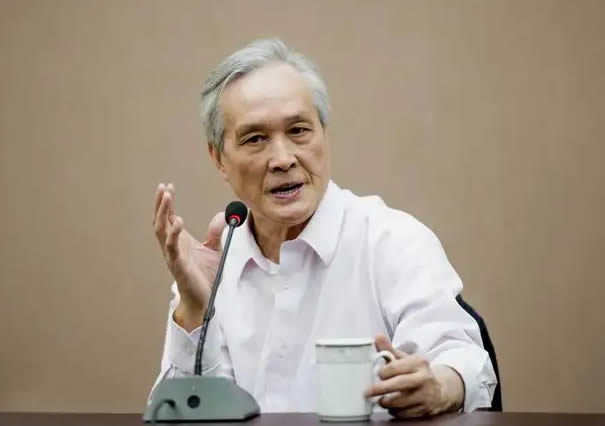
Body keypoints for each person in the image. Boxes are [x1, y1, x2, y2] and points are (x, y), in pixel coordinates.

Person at [151, 39, 497, 418]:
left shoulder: (392, 241)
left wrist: (441, 385)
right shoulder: (211, 268)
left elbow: (465, 359)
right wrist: (195, 310)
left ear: (324, 134)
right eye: (255, 139)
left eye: (299, 130)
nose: (283, 159)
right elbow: (176, 415)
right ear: (219, 158)